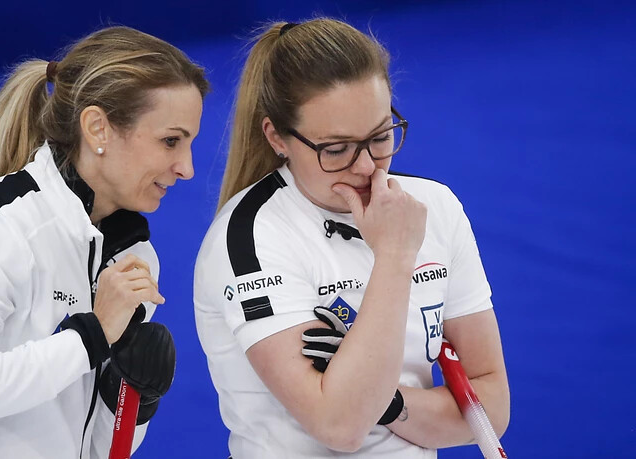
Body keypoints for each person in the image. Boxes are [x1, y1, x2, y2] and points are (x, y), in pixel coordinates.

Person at [0, 26, 208, 459]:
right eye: (171, 141)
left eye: (189, 144)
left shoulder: (133, 257)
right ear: (98, 129)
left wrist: (131, 397)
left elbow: (99, 449)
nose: (186, 168)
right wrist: (91, 336)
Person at [194, 19, 509, 458]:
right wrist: (396, 255)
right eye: (336, 149)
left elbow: (489, 407)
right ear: (278, 138)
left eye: (380, 136)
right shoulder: (251, 236)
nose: (367, 167)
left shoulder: (434, 207)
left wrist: (389, 403)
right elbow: (339, 426)